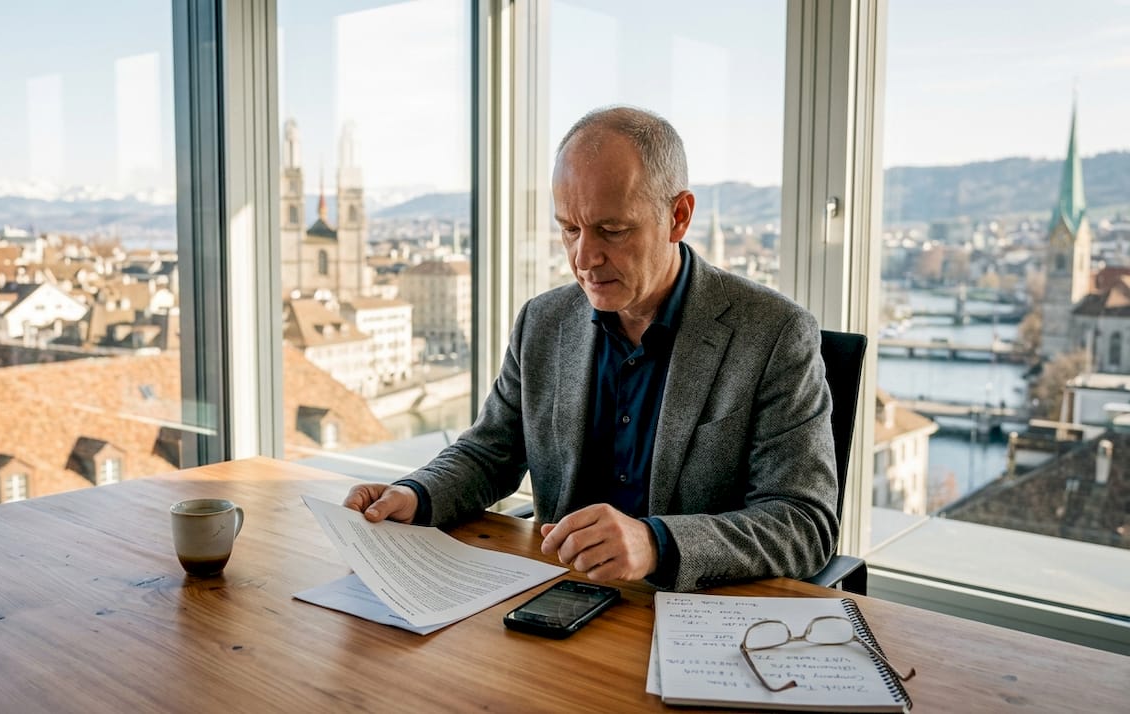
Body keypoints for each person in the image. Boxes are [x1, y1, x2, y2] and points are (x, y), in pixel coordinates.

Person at [344, 106, 837, 592]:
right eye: (570, 229)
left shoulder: (774, 333)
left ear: (678, 216)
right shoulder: (542, 320)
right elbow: (490, 451)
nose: (584, 259)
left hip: (695, 616)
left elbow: (804, 523)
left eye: (612, 230)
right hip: (559, 596)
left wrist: (657, 542)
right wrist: (415, 492)